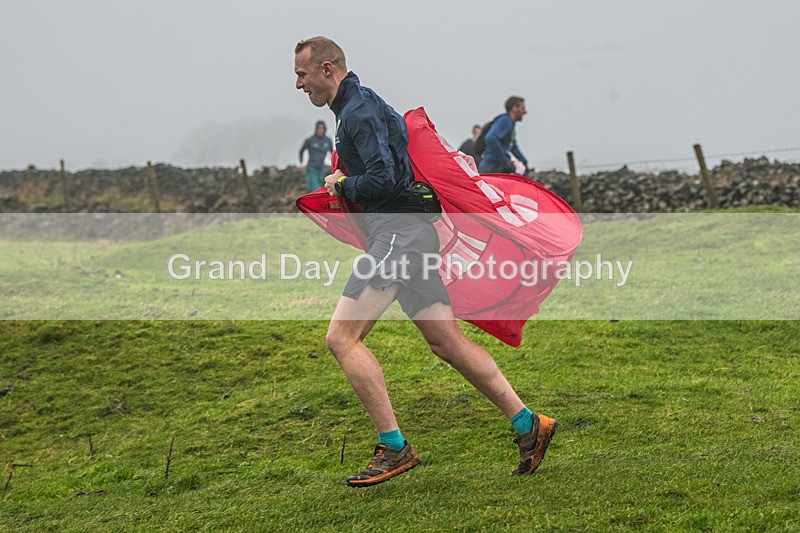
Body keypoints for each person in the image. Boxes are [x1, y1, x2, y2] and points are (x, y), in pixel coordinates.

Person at [294, 36, 556, 487]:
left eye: (302, 75)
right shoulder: (355, 108)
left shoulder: (358, 110)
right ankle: (528, 424)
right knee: (446, 343)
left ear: (328, 68)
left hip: (398, 235)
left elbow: (386, 178)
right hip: (410, 234)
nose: (298, 85)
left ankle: (394, 447)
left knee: (342, 337)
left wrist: (343, 184)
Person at [477, 97, 529, 175]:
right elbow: (490, 138)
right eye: (522, 108)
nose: (525, 112)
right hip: (491, 167)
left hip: (496, 167)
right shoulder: (505, 121)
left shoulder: (511, 124)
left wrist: (524, 161)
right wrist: (504, 161)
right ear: (514, 108)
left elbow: (512, 146)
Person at [299, 120, 334, 191]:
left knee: (320, 189)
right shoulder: (310, 140)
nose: (320, 130)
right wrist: (301, 162)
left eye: (322, 128)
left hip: (321, 168)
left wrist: (333, 164)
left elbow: (332, 153)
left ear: (324, 129)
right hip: (311, 168)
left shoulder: (328, 140)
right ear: (316, 129)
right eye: (319, 128)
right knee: (315, 188)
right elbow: (301, 151)